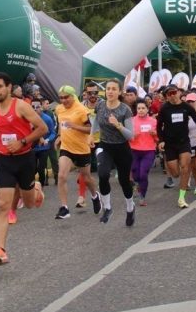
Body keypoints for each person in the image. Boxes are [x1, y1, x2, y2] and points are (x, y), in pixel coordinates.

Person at [0, 72, 47, 265]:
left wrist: (22, 142)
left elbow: (42, 128)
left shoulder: (20, 106)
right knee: (3, 205)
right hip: (5, 162)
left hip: (25, 160)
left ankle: (36, 189)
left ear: (9, 87)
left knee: (29, 204)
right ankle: (1, 250)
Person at [91, 79, 136, 225]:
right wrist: (91, 135)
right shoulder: (100, 105)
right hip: (105, 146)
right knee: (103, 174)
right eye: (108, 88)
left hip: (122, 148)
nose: (110, 91)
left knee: (124, 182)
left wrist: (118, 125)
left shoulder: (125, 110)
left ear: (119, 92)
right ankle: (108, 208)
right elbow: (96, 122)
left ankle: (130, 207)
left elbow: (131, 135)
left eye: (113, 89)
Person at [54, 85, 102, 219]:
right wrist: (58, 137)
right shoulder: (59, 109)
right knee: (62, 175)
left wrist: (74, 125)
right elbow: (61, 125)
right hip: (66, 147)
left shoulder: (81, 110)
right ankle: (64, 208)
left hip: (81, 149)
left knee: (86, 178)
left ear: (72, 96)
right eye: (61, 98)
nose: (63, 100)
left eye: (66, 97)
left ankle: (94, 195)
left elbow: (89, 129)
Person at [157, 84, 196, 208]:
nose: (172, 96)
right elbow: (158, 126)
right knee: (176, 173)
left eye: (174, 92)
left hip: (184, 142)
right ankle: (176, 172)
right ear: (166, 97)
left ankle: (181, 198)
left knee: (185, 167)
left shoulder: (186, 106)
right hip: (170, 144)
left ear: (178, 93)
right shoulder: (164, 108)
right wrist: (161, 140)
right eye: (169, 94)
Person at [130, 101, 157, 206]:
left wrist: (155, 134)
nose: (141, 110)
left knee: (143, 173)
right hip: (134, 150)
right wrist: (132, 136)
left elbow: (157, 138)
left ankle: (142, 196)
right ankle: (138, 184)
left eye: (143, 108)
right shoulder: (131, 121)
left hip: (148, 150)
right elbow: (126, 137)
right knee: (135, 173)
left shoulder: (153, 121)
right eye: (139, 108)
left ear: (147, 109)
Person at [31, 98, 56, 193]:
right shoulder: (28, 118)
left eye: (37, 107)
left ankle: (41, 187)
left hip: (43, 148)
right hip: (32, 148)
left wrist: (47, 140)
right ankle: (31, 188)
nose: (35, 109)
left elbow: (53, 133)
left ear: (41, 107)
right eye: (32, 107)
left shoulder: (47, 118)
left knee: (41, 169)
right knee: (32, 169)